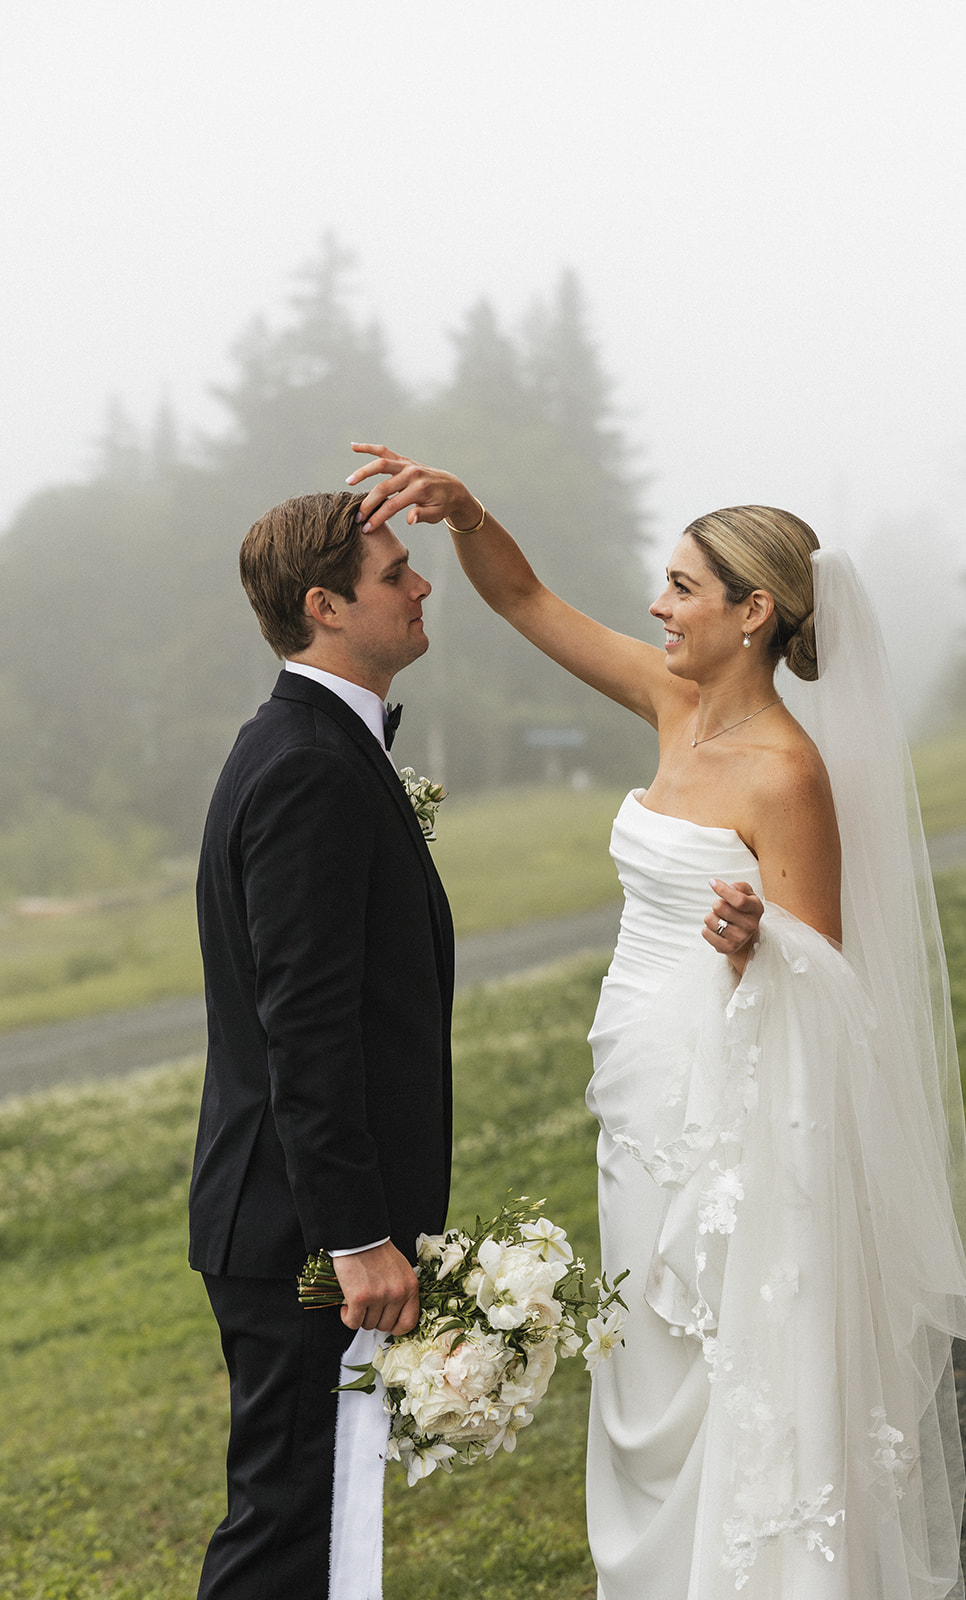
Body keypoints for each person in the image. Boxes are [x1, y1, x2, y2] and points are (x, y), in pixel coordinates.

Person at [345, 445, 966, 1599]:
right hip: (630, 1097)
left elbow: (831, 986)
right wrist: (467, 512)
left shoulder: (786, 775)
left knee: (722, 1355)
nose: (657, 604)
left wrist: (759, 943)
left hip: (720, 1110)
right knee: (640, 1353)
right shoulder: (669, 699)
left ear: (754, 611)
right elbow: (526, 600)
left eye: (683, 587)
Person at [189, 489, 453, 1600]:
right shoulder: (304, 765)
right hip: (300, 1231)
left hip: (294, 1220)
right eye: (395, 571)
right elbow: (303, 1025)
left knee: (319, 1526)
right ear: (324, 605)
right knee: (287, 1536)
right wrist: (355, 1238)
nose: (420, 582)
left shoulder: (315, 744)